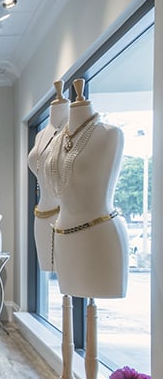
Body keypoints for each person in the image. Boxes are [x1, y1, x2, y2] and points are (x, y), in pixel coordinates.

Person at [46, 81, 128, 297]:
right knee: (69, 294)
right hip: (63, 233)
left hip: (99, 230)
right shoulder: (56, 142)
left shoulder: (110, 134)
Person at [28, 81, 68, 271]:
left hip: (67, 214)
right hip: (42, 214)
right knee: (48, 269)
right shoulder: (40, 136)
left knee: (70, 271)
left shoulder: (74, 132)